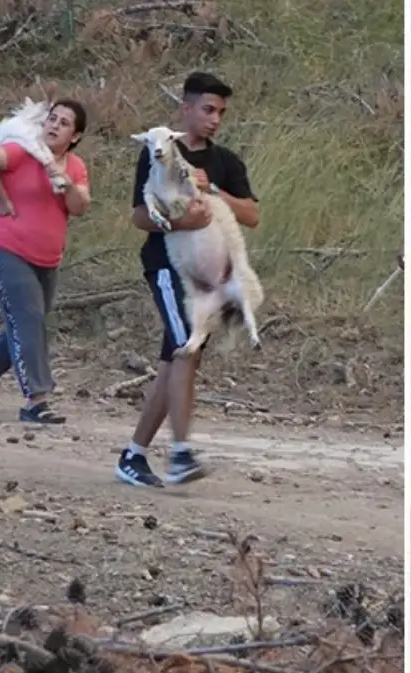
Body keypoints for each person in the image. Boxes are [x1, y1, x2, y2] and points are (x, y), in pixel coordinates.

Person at [114, 72, 260, 488]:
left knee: (175, 361)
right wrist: (180, 218)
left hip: (210, 277)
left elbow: (251, 215)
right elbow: (139, 216)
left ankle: (134, 455)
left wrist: (211, 188)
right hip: (167, 267)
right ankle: (179, 452)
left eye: (221, 112)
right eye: (207, 109)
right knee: (184, 351)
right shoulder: (158, 151)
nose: (215, 119)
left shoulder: (226, 162)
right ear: (185, 109)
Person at [0, 99, 91, 424]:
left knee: (22, 325)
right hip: (8, 248)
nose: (54, 125)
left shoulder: (74, 166)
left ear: (74, 136)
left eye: (64, 123)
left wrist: (65, 181)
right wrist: (4, 200)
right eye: (52, 118)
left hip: (47, 259)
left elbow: (79, 206)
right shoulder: (25, 152)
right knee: (29, 322)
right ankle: (37, 399)